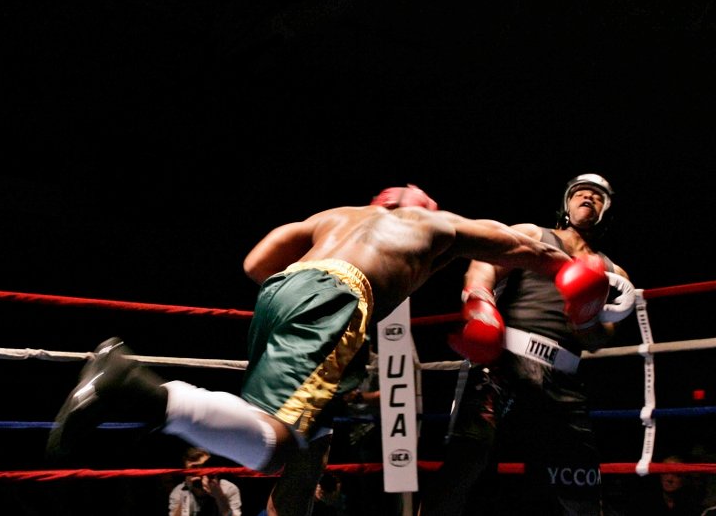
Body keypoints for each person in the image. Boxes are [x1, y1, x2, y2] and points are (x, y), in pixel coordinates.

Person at [46, 184, 611, 516]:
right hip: (340, 299)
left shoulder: (336, 216)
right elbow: (526, 248)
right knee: (275, 440)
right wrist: (583, 283)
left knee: (306, 451)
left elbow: (256, 263)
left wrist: (311, 286)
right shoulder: (440, 224)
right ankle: (139, 388)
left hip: (282, 292)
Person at [418, 174, 636, 515]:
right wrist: (480, 303)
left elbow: (598, 339)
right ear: (566, 203)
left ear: (606, 210)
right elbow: (485, 264)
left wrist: (585, 318)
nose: (588, 198)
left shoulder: (615, 274)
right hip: (504, 366)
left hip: (562, 383)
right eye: (581, 193)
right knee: (464, 464)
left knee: (579, 489)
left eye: (597, 197)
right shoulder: (534, 235)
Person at [168, 447, 242, 516]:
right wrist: (187, 490)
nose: (200, 471)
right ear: (186, 471)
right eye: (194, 468)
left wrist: (219, 496)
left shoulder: (228, 488)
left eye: (204, 466)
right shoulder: (179, 491)